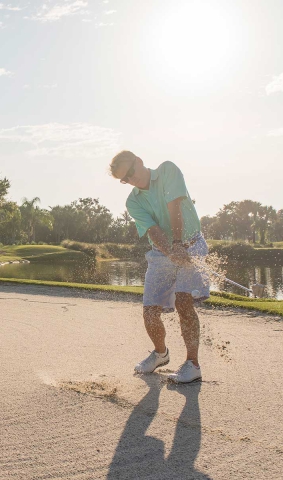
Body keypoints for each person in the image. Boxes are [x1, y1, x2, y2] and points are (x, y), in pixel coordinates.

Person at [109, 151, 209, 383]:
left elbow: (174, 207)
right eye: (125, 179)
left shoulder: (167, 170)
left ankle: (192, 365)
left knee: (184, 302)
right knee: (150, 311)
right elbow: (153, 230)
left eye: (131, 173)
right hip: (161, 252)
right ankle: (160, 354)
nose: (131, 180)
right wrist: (170, 250)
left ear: (139, 161)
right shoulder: (133, 201)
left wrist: (178, 244)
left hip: (191, 245)